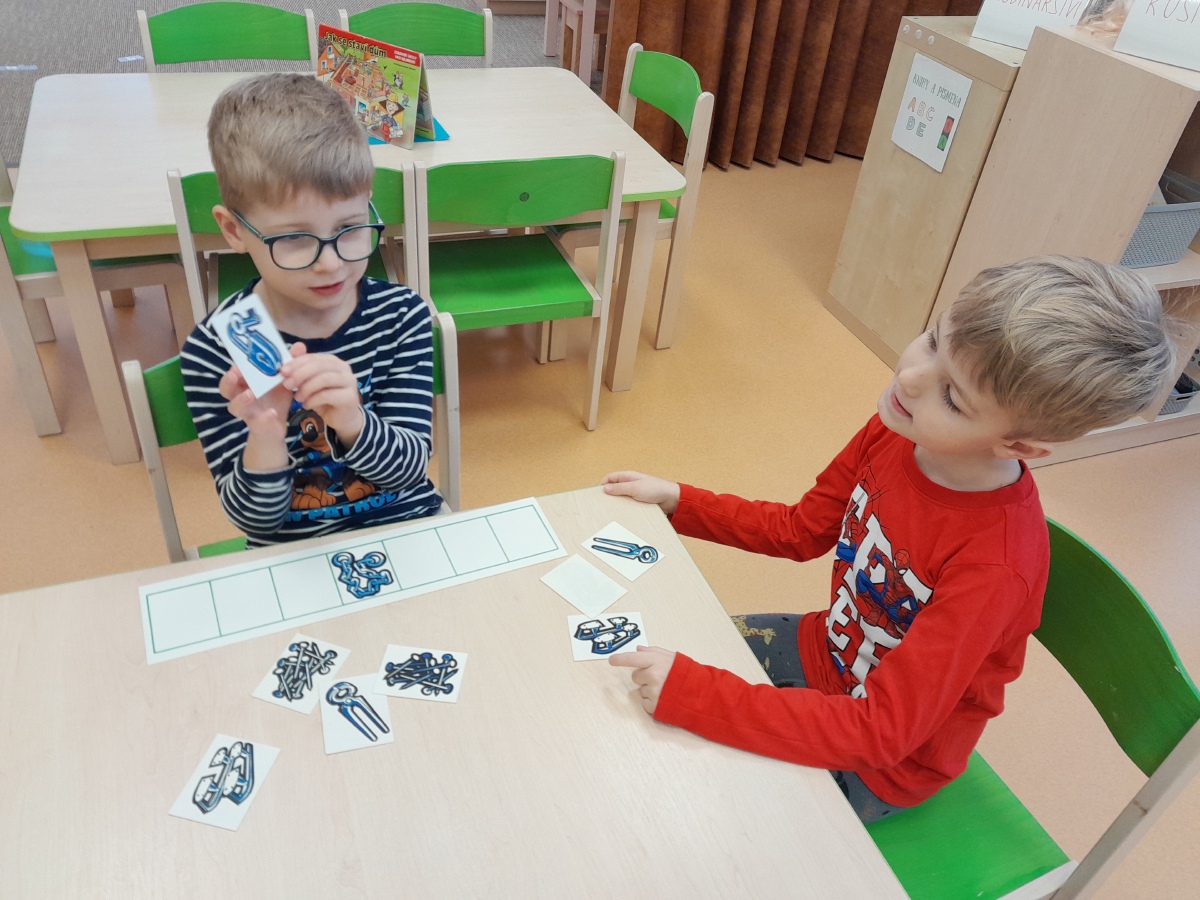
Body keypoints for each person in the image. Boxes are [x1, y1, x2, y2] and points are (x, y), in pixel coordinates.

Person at [603, 256, 1178, 822]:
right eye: (933, 341)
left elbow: (880, 732)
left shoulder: (995, 567)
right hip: (824, 650)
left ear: (1019, 447)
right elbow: (799, 530)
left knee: (692, 803)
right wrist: (682, 501)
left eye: (952, 397)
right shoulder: (899, 426)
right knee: (627, 684)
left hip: (883, 763)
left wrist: (697, 696)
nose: (909, 378)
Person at [181, 73, 442, 548]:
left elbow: (409, 471)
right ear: (234, 231)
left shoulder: (401, 317)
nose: (331, 263)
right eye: (295, 239)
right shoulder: (219, 346)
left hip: (407, 530)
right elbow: (255, 523)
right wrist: (265, 433)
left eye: (350, 228)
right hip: (294, 554)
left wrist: (353, 421)